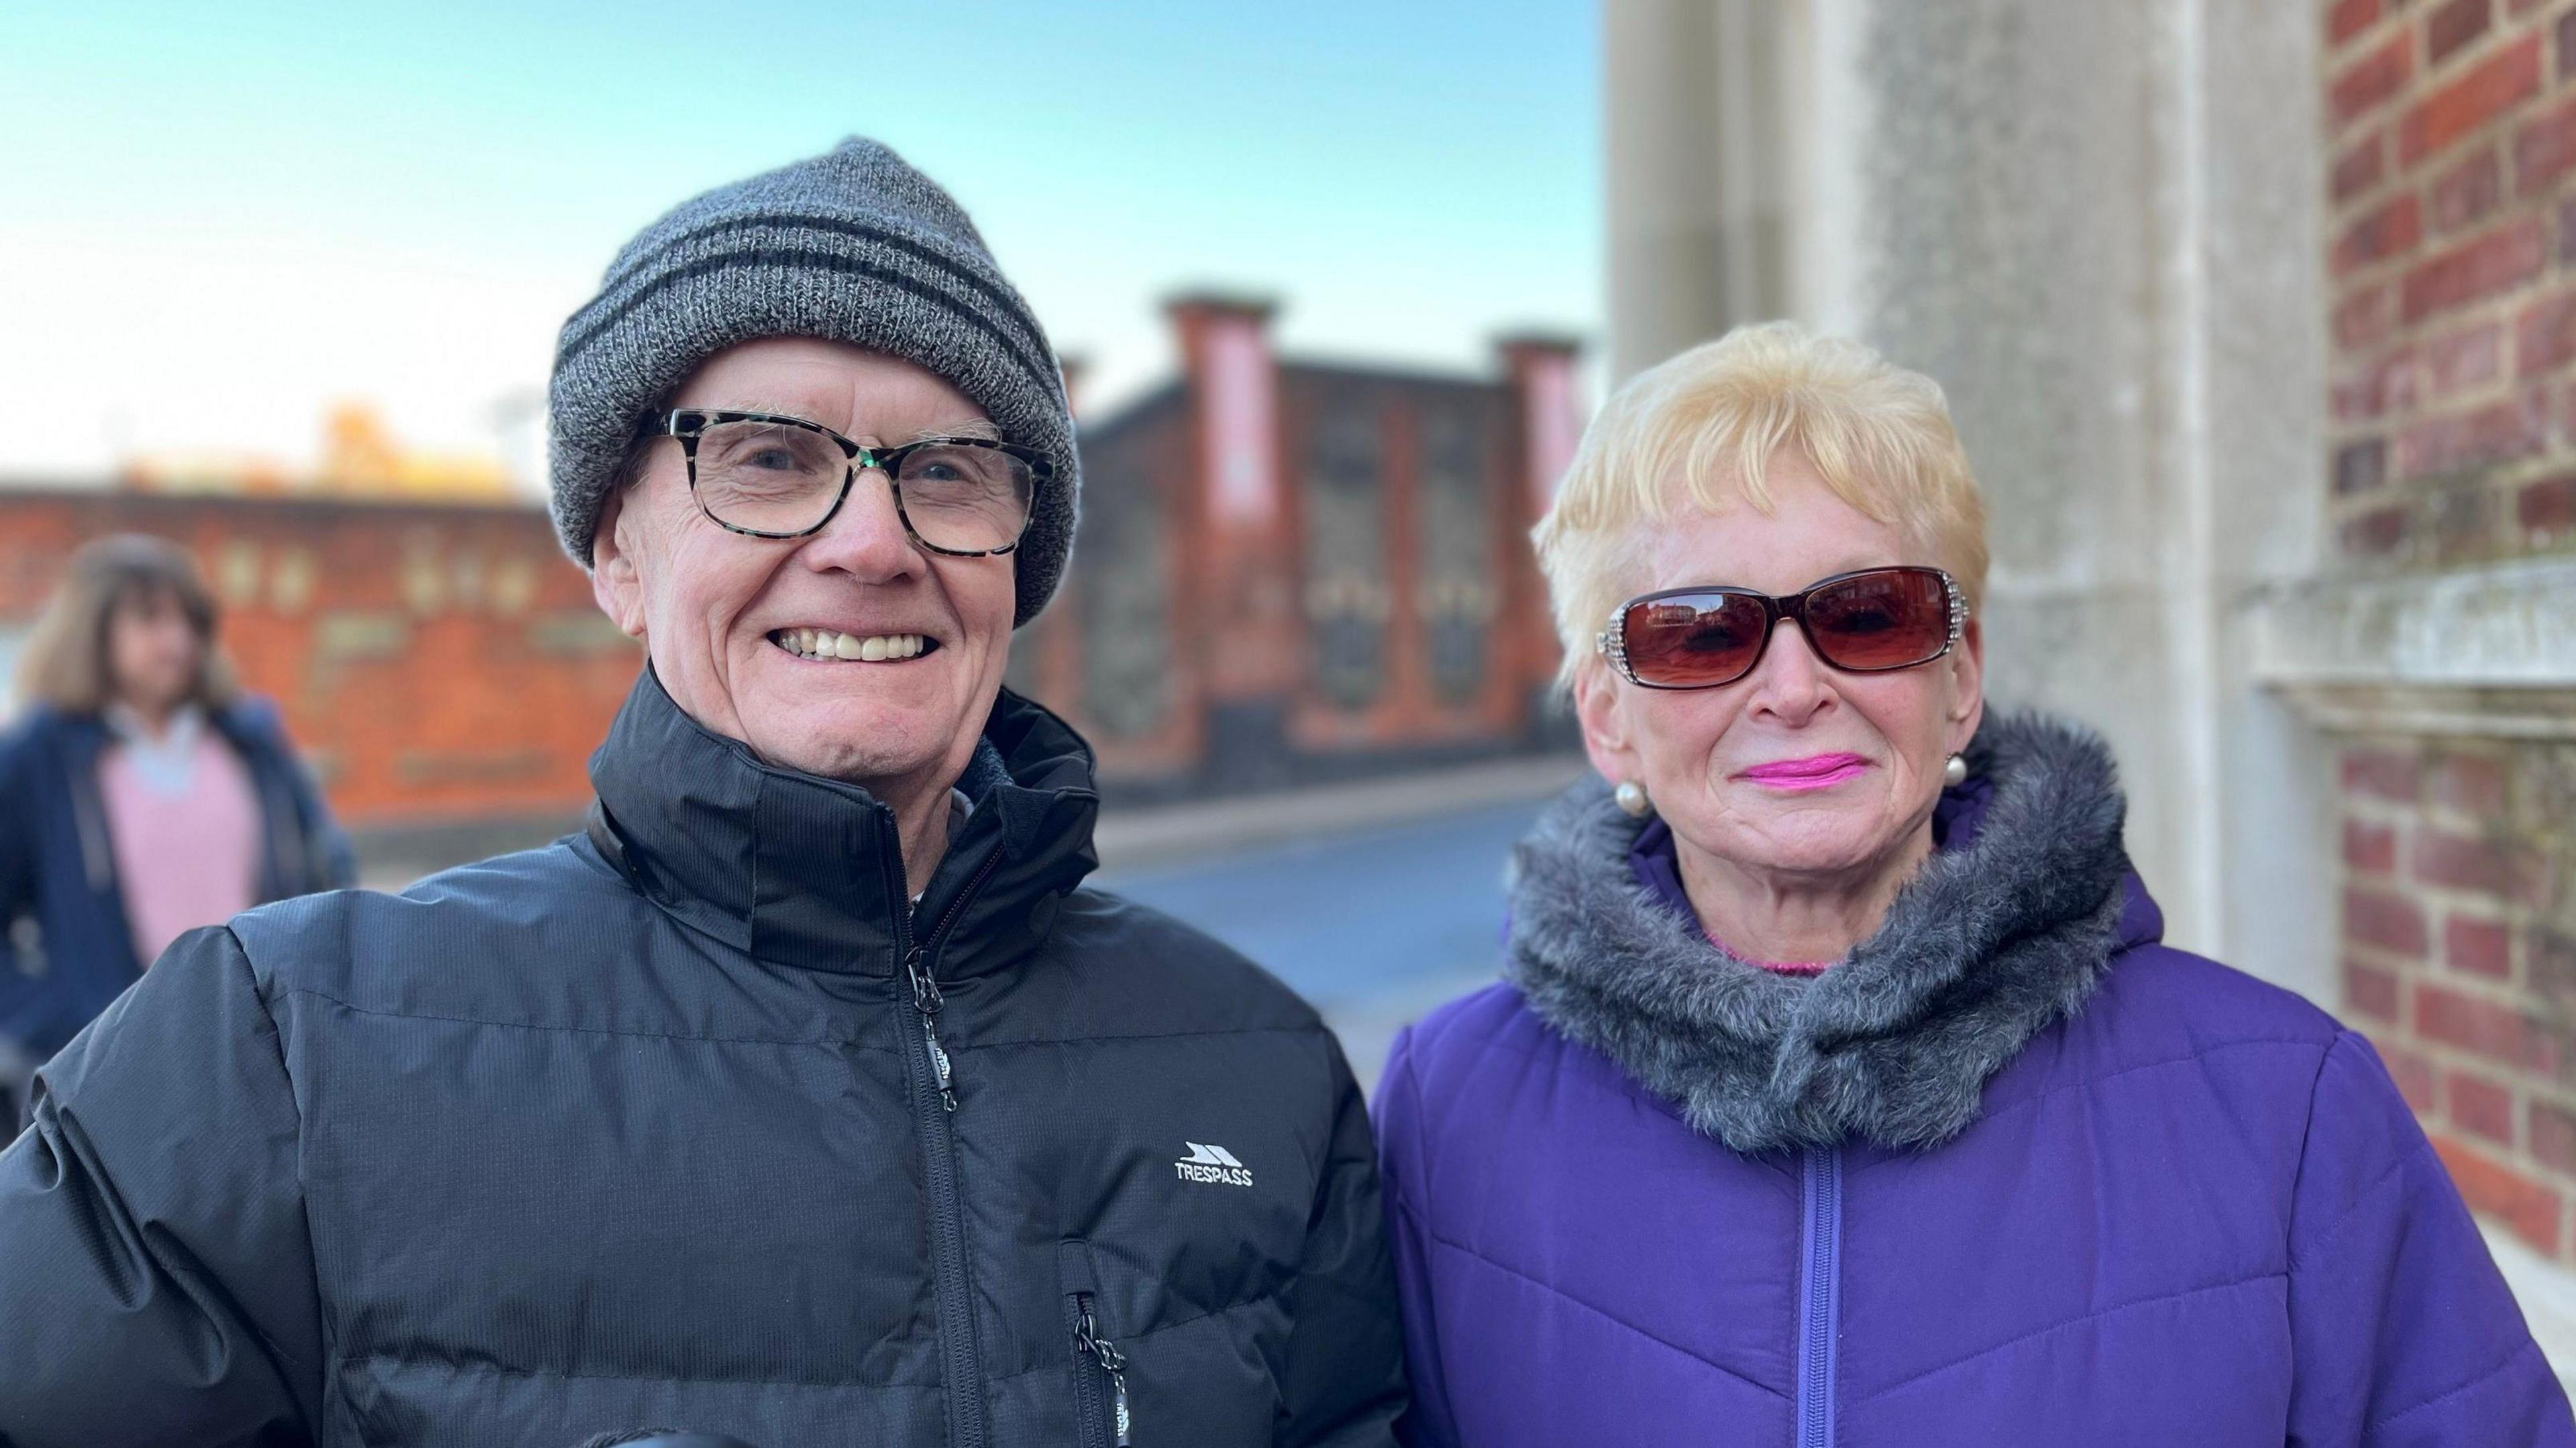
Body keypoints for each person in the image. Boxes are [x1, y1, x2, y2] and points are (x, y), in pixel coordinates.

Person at [0, 139, 1403, 1447]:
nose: (871, 539)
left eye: (949, 473)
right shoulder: (279, 1055)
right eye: (768, 459)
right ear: (619, 549)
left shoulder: (1259, 1065)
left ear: (1015, 556)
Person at [1373, 323, 2575, 1446]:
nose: (1793, 687)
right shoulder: (1447, 1111)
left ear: (1962, 678)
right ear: (1607, 718)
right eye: (1702, 631)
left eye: (1867, 611)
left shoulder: (2289, 1102)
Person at [0, 534, 352, 1130]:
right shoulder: (41, 756)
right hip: (120, 1075)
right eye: (149, 619)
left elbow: (326, 869)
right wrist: (61, 1023)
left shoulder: (250, 739)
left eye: (189, 620)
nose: (177, 640)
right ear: (93, 628)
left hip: (268, 1051)